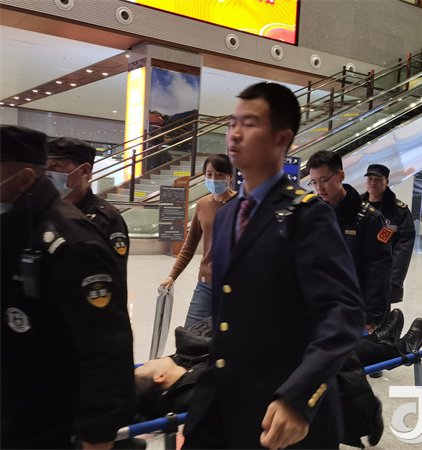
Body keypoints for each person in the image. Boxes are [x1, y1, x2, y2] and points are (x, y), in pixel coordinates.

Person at [183, 82, 365, 449]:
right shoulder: (229, 213)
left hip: (280, 414)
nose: (234, 133)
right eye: (232, 123)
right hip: (223, 404)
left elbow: (343, 313)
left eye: (249, 123)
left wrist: (299, 397)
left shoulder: (307, 215)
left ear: (281, 138)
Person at [0, 125, 135, 449]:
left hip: (51, 414)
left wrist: (98, 432)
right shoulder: (15, 221)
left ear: (24, 178)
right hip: (15, 398)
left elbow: (106, 344)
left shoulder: (73, 240)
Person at [306, 150, 392, 331]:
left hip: (352, 310)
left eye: (324, 180)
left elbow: (377, 271)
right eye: (314, 182)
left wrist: (370, 315)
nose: (319, 187)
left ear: (341, 176)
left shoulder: (369, 219)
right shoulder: (313, 214)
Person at [160, 154, 237, 327]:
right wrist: (172, 276)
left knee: (228, 337)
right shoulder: (202, 205)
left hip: (234, 285)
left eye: (220, 175)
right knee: (191, 333)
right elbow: (189, 245)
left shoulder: (241, 205)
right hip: (206, 283)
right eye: (209, 174)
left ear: (229, 177)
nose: (214, 179)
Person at [46, 137, 129, 275]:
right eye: (45, 168)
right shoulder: (44, 208)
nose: (47, 175)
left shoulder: (106, 218)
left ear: (84, 171)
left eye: (56, 167)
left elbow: (111, 274)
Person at [135, 318, 212, 421]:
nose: (148, 361)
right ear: (160, 377)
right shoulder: (202, 385)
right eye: (144, 365)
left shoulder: (187, 354)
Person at [361, 163, 415, 303]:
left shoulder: (399, 211)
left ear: (387, 182)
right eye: (370, 179)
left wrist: (394, 281)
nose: (373, 183)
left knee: (380, 313)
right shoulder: (356, 205)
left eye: (378, 179)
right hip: (359, 274)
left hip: (384, 276)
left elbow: (404, 248)